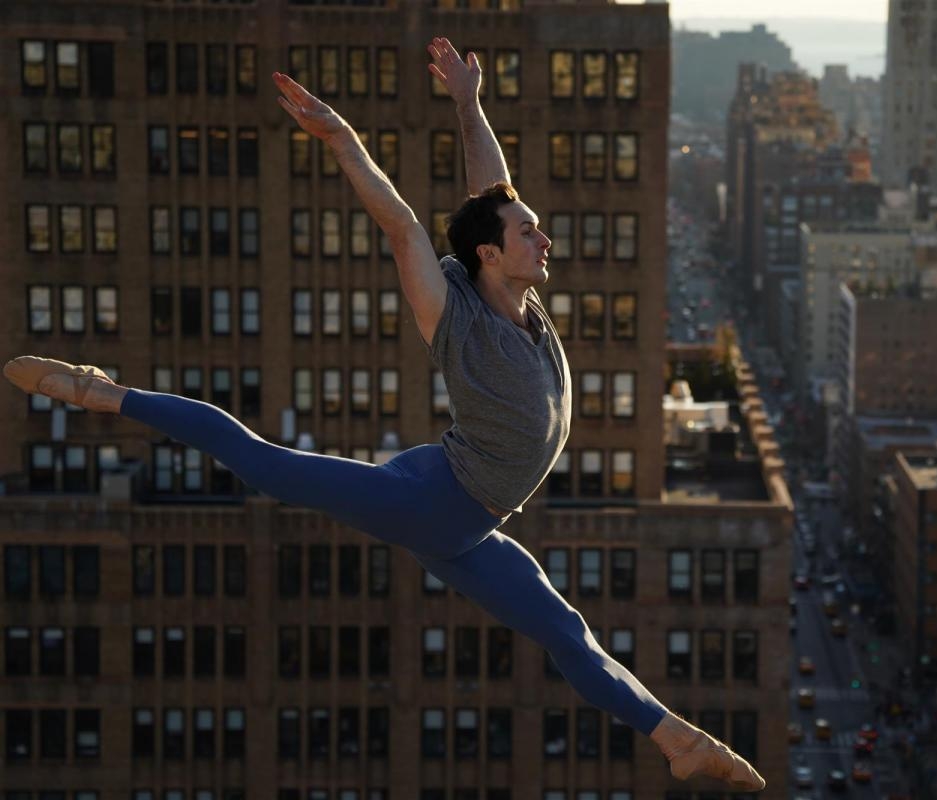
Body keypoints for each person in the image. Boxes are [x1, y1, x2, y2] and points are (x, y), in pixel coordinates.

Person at [3, 37, 764, 792]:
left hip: (465, 513)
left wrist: (468, 103)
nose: (543, 235)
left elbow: (490, 190)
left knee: (568, 635)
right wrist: (342, 139)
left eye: (536, 226)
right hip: (435, 503)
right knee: (265, 462)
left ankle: (676, 739)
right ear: (491, 257)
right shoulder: (453, 315)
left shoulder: (519, 298)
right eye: (528, 231)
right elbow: (401, 223)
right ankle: (101, 392)